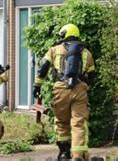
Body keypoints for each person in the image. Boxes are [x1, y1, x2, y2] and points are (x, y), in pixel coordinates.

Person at [33, 24, 95, 161]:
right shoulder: (87, 53)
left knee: (61, 121)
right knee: (78, 122)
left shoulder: (54, 50)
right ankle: (78, 155)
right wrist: (84, 88)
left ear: (64, 34)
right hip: (80, 90)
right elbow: (91, 75)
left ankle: (64, 153)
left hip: (60, 88)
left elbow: (43, 67)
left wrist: (37, 85)